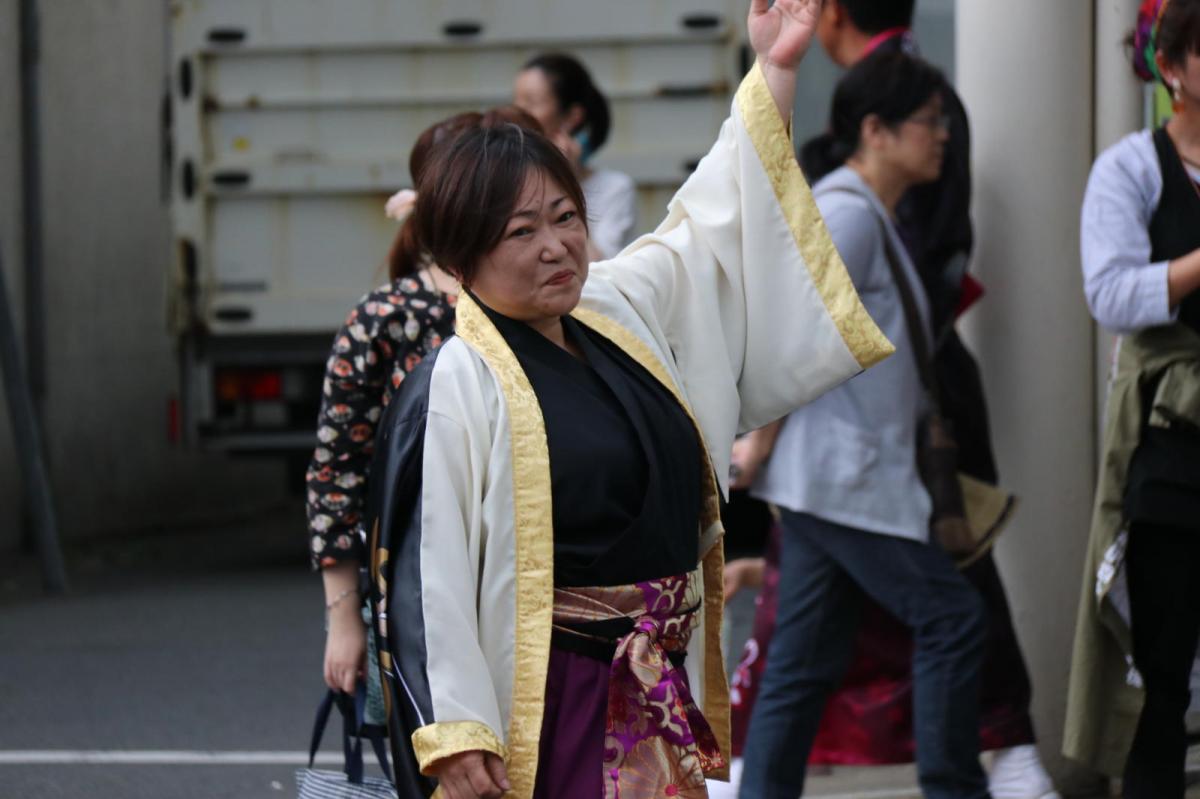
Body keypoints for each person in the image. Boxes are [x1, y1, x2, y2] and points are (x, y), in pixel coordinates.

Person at [364, 2, 896, 797]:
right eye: (521, 232)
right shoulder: (455, 381)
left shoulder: (616, 308)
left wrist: (775, 72)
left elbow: (711, 224)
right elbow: (428, 573)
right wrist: (456, 729)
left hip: (653, 686)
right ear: (462, 258)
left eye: (566, 216)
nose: (557, 245)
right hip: (555, 700)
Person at [727, 2, 1060, 797]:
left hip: (832, 479)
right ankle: (954, 786)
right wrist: (761, 441)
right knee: (951, 618)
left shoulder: (860, 211)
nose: (941, 134)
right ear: (876, 130)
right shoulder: (850, 215)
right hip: (843, 478)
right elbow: (789, 334)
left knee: (801, 666)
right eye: (926, 121)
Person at [306, 108, 539, 699]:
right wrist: (343, 620)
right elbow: (337, 473)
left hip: (545, 591)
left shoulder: (553, 310)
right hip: (418, 593)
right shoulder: (383, 319)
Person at [1065, 1, 1200, 796]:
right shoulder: (1131, 167)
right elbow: (1110, 292)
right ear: (1172, 69)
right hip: (1171, 443)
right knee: (1161, 673)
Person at [514, 52, 638, 259]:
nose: (518, 113)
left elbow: (598, 266)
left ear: (572, 117)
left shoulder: (615, 189)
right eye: (516, 102)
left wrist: (564, 182)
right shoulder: (509, 181)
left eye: (531, 103)